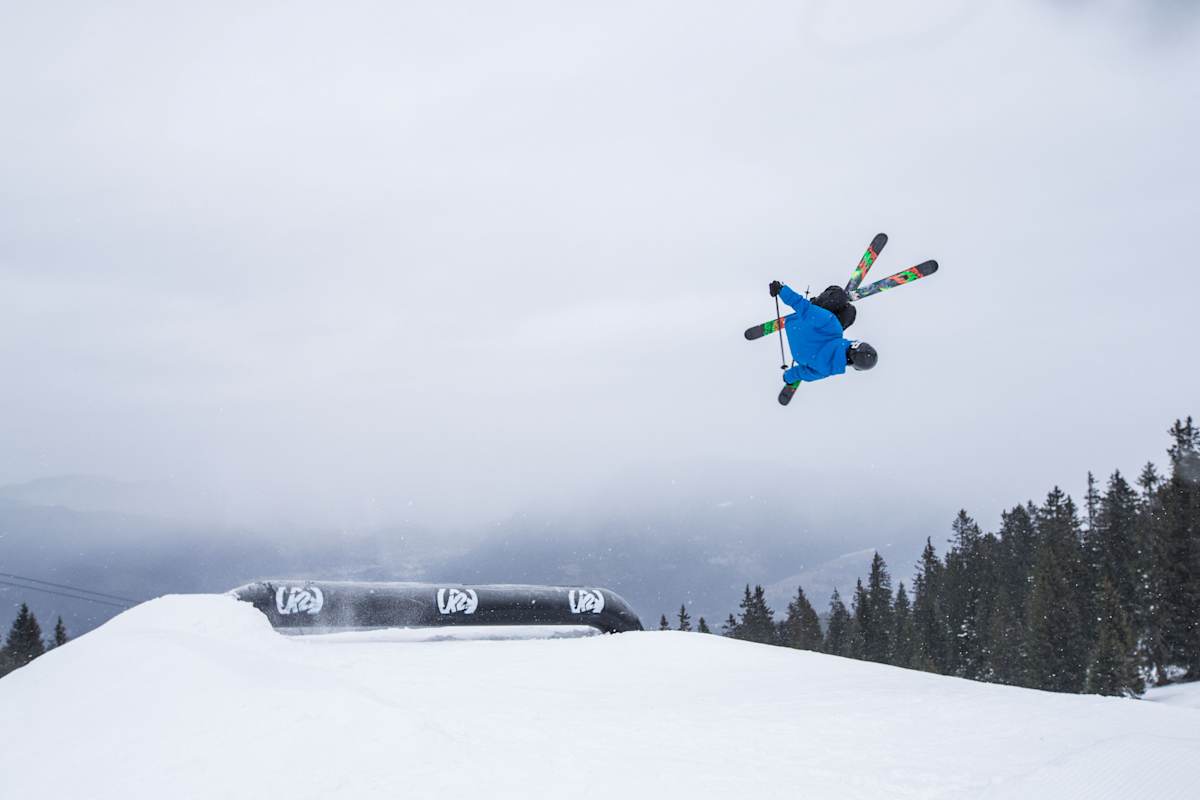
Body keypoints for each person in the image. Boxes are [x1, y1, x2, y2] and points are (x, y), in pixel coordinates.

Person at [769, 280, 878, 384]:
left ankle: (833, 301)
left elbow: (805, 308)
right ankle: (840, 305)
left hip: (797, 321)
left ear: (855, 344)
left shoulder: (833, 328)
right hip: (798, 352)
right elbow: (800, 373)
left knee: (842, 299)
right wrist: (787, 378)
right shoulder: (825, 370)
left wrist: (781, 290)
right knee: (848, 314)